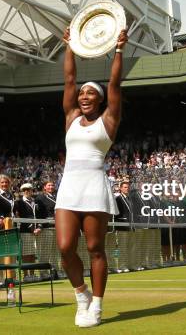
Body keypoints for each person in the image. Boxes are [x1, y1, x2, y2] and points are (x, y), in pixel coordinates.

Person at [55, 26, 128, 327]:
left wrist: (119, 50)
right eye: (82, 93)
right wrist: (70, 45)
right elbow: (69, 78)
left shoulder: (109, 121)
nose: (84, 96)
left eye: (90, 93)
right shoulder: (71, 117)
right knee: (64, 247)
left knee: (95, 249)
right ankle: (80, 294)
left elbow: (114, 83)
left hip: (95, 186)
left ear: (99, 101)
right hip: (69, 186)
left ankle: (96, 305)